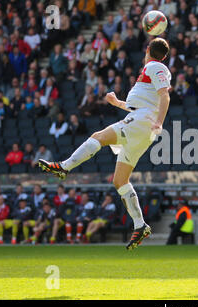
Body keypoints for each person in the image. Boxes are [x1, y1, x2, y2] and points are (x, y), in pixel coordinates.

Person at [38, 38, 172, 250]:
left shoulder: (155, 66)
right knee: (120, 181)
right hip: (141, 123)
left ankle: (64, 167)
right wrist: (117, 102)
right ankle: (140, 224)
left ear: (147, 50)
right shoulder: (151, 71)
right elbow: (142, 104)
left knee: (98, 137)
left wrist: (159, 122)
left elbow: (165, 96)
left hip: (143, 123)